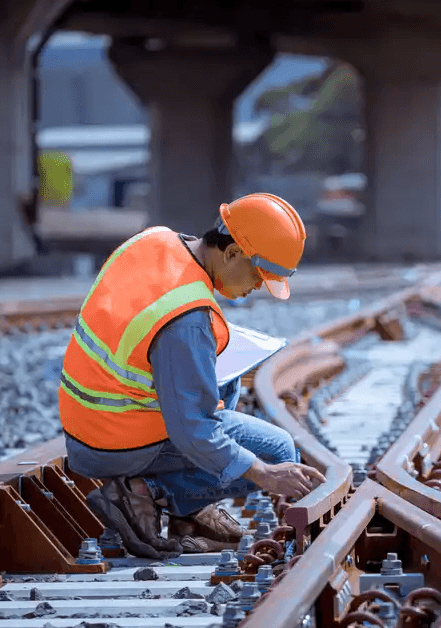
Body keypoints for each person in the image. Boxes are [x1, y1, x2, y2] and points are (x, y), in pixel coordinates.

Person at [57, 193, 326, 559]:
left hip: (87, 420)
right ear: (231, 253)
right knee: (279, 451)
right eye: (258, 275)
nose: (258, 287)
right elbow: (194, 431)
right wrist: (264, 472)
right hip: (115, 441)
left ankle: (185, 510)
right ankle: (143, 493)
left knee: (225, 381)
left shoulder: (154, 239)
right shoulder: (187, 319)